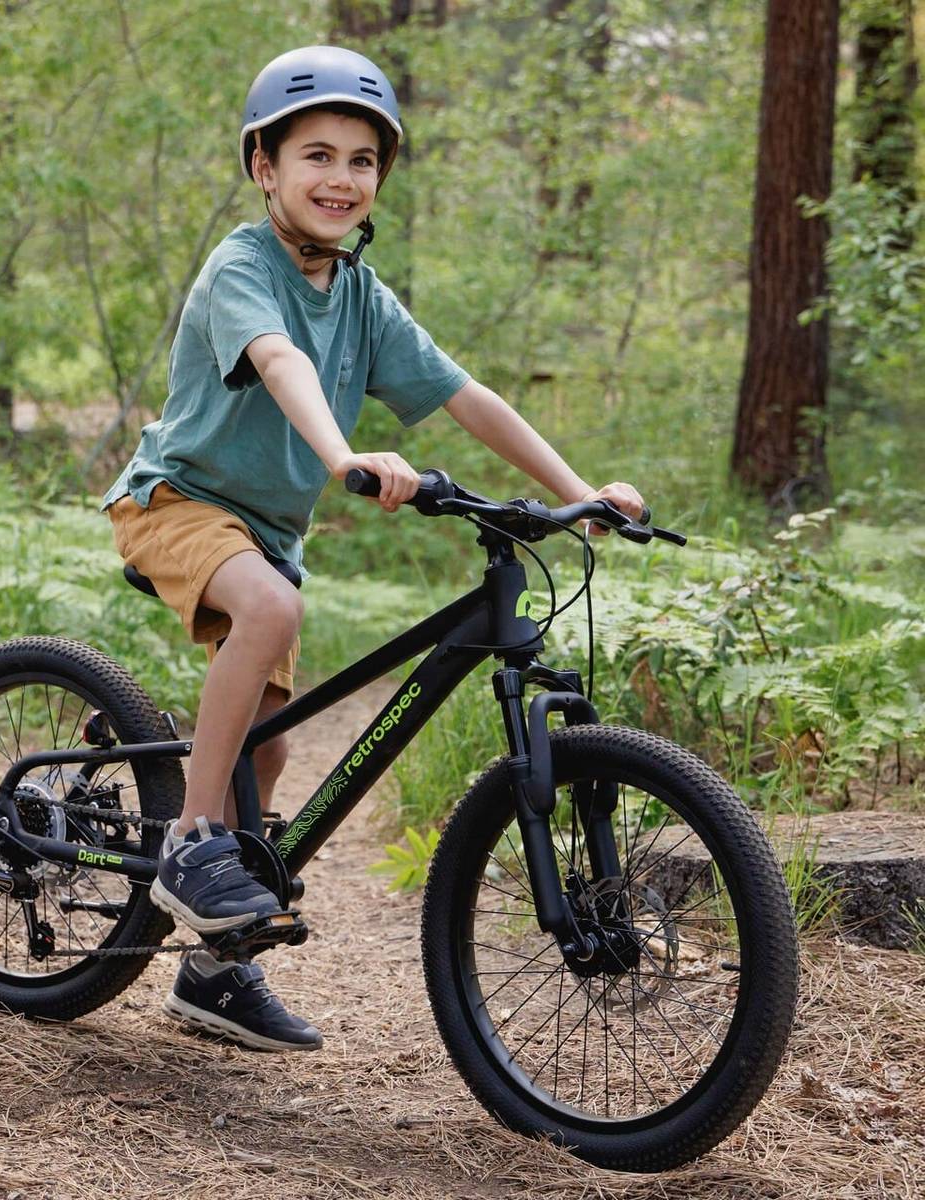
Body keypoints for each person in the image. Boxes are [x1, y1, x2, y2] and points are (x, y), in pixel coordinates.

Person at [102, 45, 644, 1052]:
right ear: (264, 166)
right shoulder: (241, 268)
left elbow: (466, 396)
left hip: (265, 532)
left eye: (362, 160)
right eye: (316, 155)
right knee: (272, 609)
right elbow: (279, 362)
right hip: (177, 501)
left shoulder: (361, 292)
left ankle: (214, 975)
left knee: (269, 744)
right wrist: (343, 454)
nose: (341, 178)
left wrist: (581, 493)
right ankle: (190, 841)